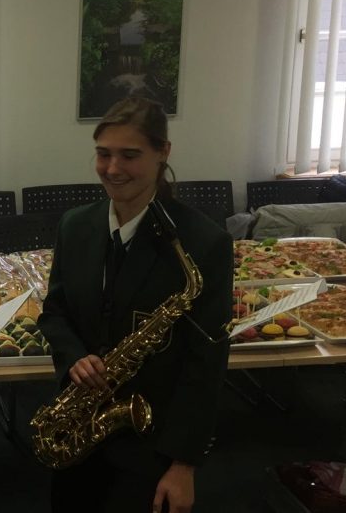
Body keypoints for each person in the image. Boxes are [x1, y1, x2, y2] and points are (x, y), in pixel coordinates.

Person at [36, 96, 232, 513]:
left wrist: (184, 464)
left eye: (130, 155)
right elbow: (55, 312)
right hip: (78, 431)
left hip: (152, 445)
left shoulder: (204, 243)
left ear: (163, 153)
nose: (112, 168)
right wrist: (73, 357)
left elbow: (206, 363)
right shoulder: (75, 225)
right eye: (103, 154)